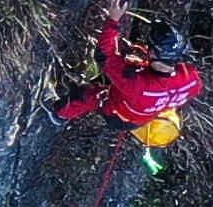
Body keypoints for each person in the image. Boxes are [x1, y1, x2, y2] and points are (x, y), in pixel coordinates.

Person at [50, 8, 204, 150]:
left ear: (153, 54)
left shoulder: (136, 84)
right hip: (140, 114)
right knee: (123, 68)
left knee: (86, 96)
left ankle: (60, 114)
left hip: (118, 115)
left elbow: (104, 55)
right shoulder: (191, 80)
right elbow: (184, 88)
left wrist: (113, 20)